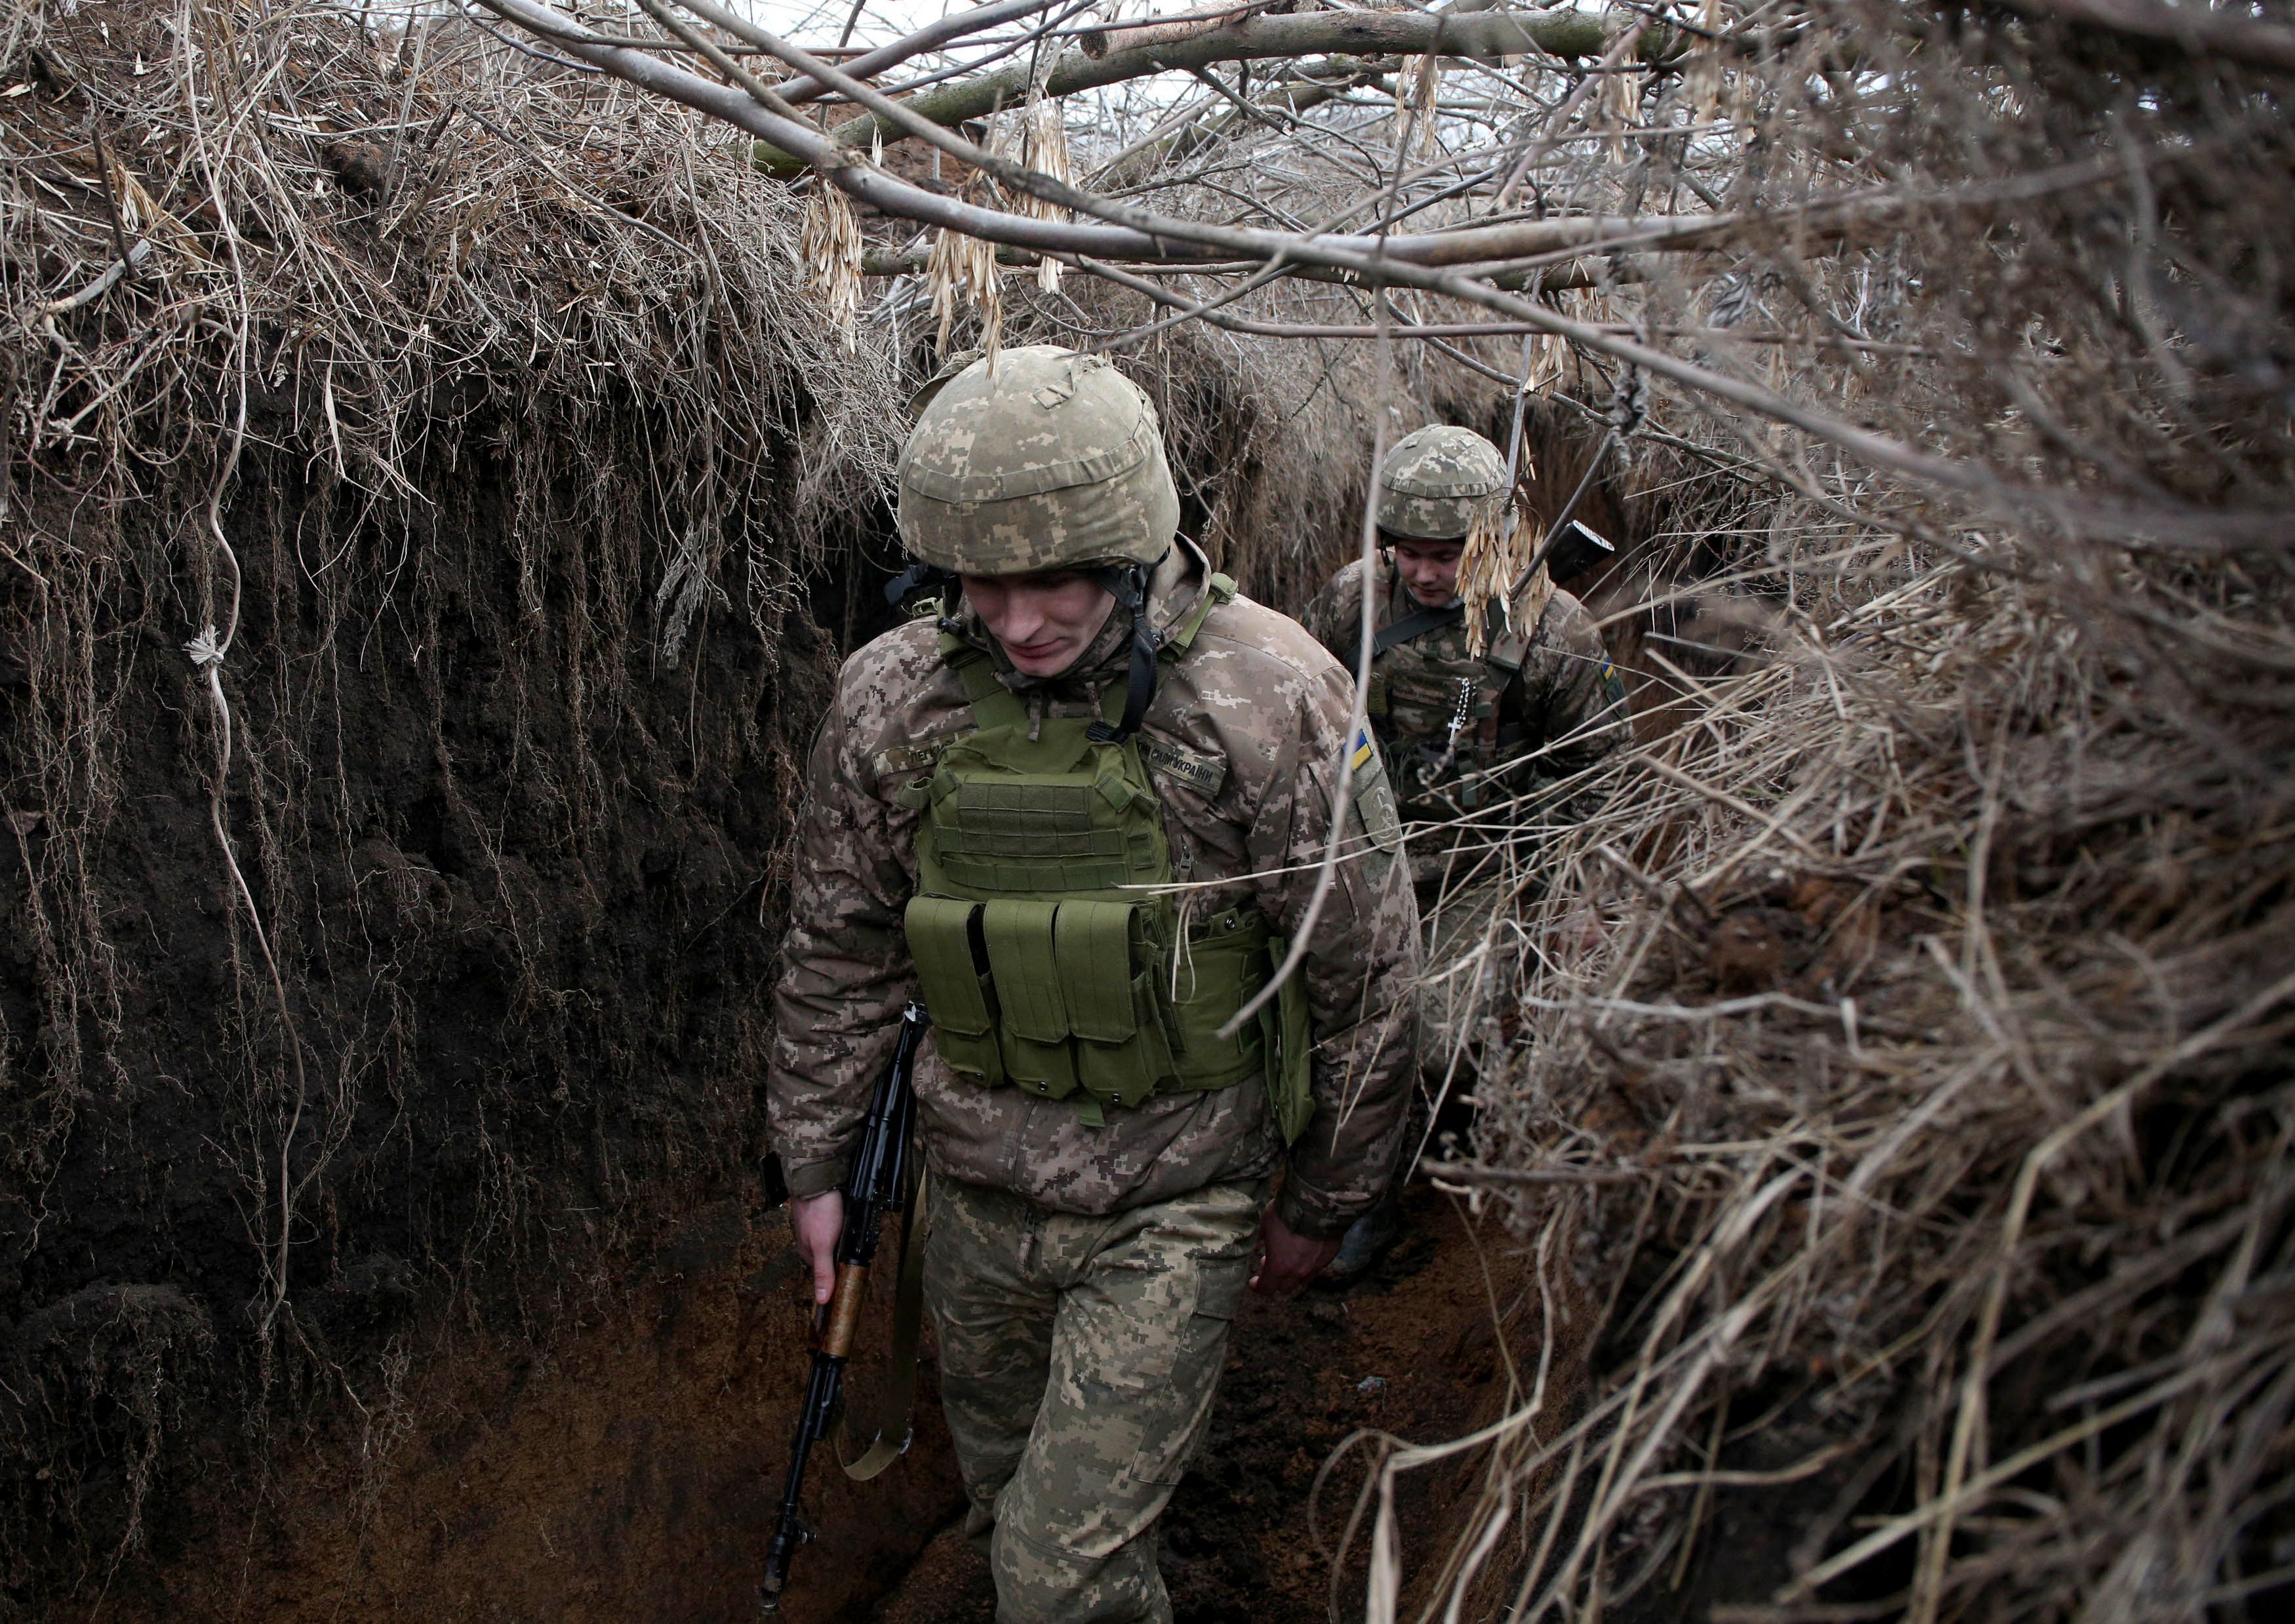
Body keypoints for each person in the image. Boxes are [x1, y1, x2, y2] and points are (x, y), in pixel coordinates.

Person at [767, 346, 1420, 1624]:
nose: (1019, 622)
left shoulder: (1269, 691)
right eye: (985, 582)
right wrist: (816, 1169)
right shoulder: (890, 701)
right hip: (971, 1193)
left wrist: (1328, 1195)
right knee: (1010, 1504)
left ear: (1129, 546)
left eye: (1055, 579)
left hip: (1176, 1197)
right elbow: (841, 950)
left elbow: (1362, 968)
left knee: (1057, 1582)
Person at [1298, 424, 1631, 1279]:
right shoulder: (1352, 602)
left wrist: (1570, 895)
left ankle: (1400, 1185)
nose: (1425, 572)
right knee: (1325, 1018)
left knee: (1430, 1035)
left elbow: (1600, 777)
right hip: (1369, 850)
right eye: (1409, 552)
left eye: (1446, 554)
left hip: (1484, 865)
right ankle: (1324, 1172)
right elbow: (1301, 715)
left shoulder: (1555, 629)